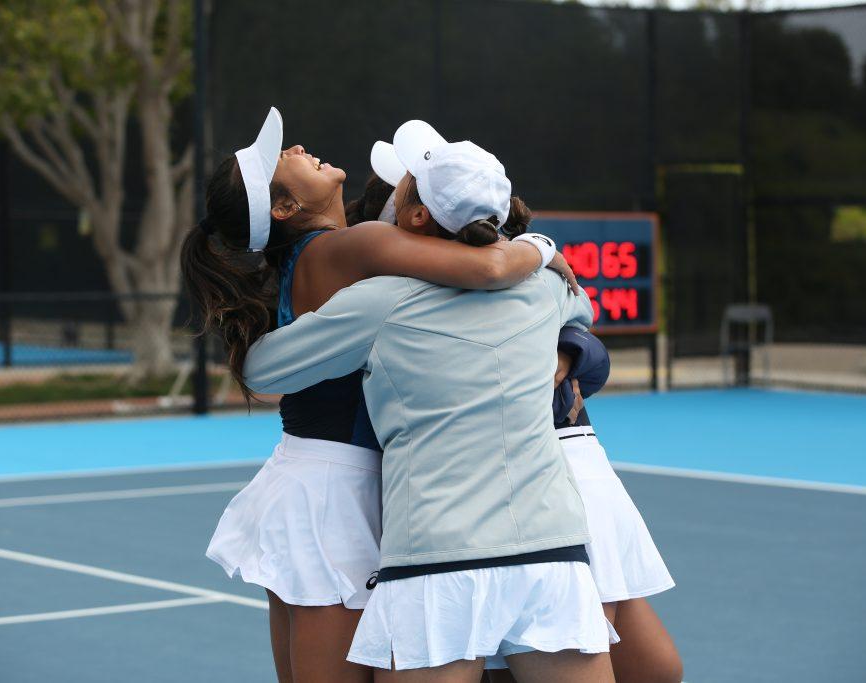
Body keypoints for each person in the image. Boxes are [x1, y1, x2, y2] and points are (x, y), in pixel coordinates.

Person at [181, 108, 579, 683]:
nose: (294, 147)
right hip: (337, 489)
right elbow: (490, 265)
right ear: (285, 208)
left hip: (315, 477)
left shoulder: (320, 253)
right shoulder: (356, 245)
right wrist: (539, 249)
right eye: (278, 161)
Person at [360, 157, 683, 683]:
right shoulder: (399, 304)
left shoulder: (526, 277)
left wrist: (570, 350)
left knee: (656, 669)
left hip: (562, 477)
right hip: (487, 504)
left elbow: (589, 341)